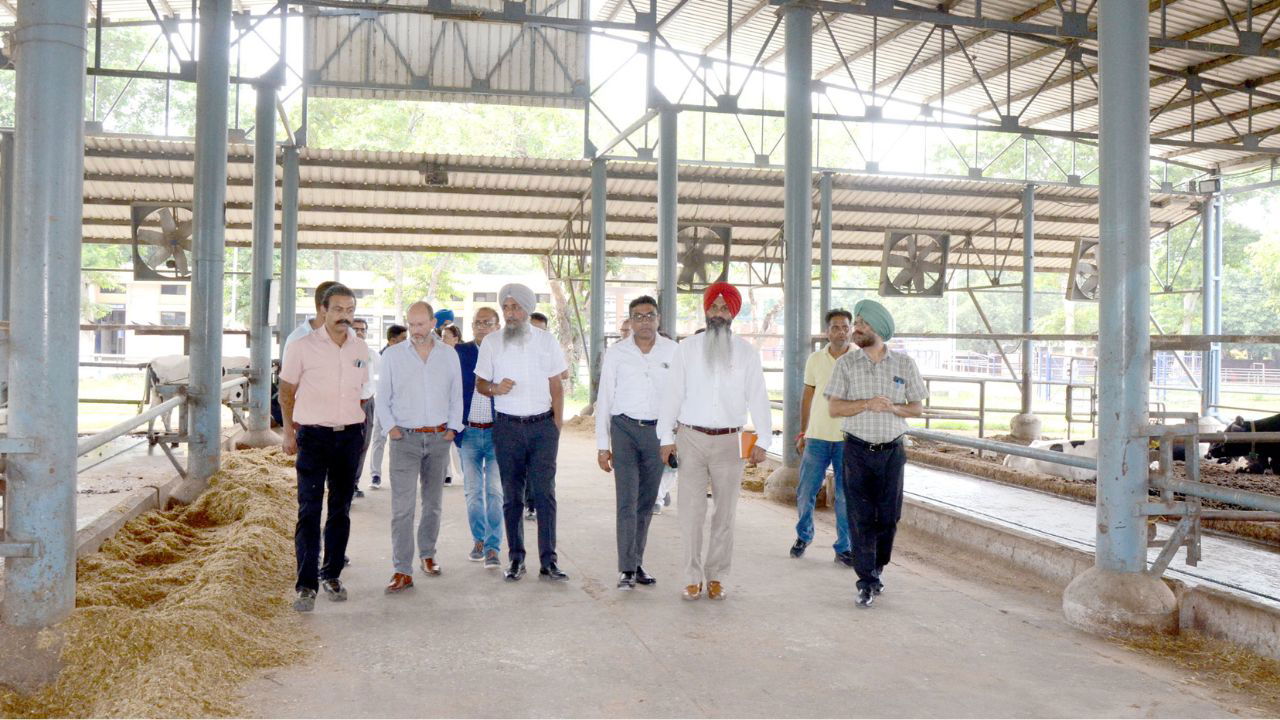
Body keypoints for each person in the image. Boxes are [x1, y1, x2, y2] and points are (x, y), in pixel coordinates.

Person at [658, 282, 771, 602]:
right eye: (714, 307)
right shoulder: (687, 349)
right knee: (690, 513)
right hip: (690, 437)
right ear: (706, 311)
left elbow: (758, 397)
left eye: (724, 308)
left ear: (733, 313)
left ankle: (717, 576)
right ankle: (692, 577)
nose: (718, 313)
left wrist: (763, 438)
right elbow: (672, 395)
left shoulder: (747, 353)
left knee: (725, 513)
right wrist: (666, 438)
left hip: (730, 442)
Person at [824, 299, 927, 609]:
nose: (857, 328)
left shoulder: (904, 365)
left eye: (863, 324)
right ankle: (866, 579)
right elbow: (834, 407)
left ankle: (878, 566)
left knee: (889, 516)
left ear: (879, 329)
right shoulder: (846, 364)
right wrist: (866, 403)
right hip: (856, 450)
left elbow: (917, 408)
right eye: (857, 323)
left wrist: (893, 407)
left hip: (892, 452)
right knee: (860, 516)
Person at [279, 283, 369, 612]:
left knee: (341, 510)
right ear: (323, 311)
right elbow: (286, 391)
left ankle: (331, 574)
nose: (344, 316)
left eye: (350, 310)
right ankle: (306, 585)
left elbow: (362, 392)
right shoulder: (302, 346)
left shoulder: (360, 348)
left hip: (349, 437)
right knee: (309, 510)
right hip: (313, 437)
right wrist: (289, 432)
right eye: (338, 310)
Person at [476, 283, 569, 582]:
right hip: (507, 428)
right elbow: (480, 384)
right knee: (512, 496)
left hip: (543, 427)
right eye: (506, 307)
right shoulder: (491, 343)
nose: (510, 313)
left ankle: (549, 561)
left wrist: (556, 424)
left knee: (545, 495)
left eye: (516, 307)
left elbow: (557, 384)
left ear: (527, 309)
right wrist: (494, 388)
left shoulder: (546, 341)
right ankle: (516, 559)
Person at [376, 302, 463, 593]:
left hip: (439, 438)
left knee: (433, 503)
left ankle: (428, 554)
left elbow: (456, 393)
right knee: (402, 508)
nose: (415, 331)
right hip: (405, 440)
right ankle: (402, 569)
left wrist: (453, 427)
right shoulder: (392, 355)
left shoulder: (449, 355)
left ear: (432, 323)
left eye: (421, 325)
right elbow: (382, 395)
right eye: (411, 325)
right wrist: (391, 428)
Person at [596, 295, 676, 589]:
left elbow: (677, 397)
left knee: (647, 501)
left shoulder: (673, 351)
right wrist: (603, 446)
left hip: (658, 434)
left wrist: (671, 439)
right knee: (626, 500)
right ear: (630, 322)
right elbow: (604, 398)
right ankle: (626, 568)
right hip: (624, 429)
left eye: (649, 315)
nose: (644, 321)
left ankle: (637, 561)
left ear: (658, 319)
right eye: (638, 316)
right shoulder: (617, 353)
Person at [791, 309, 854, 566]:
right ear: (827, 331)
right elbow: (807, 396)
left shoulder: (860, 359)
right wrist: (803, 431)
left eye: (845, 327)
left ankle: (844, 547)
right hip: (816, 436)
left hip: (848, 438)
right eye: (835, 327)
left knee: (844, 496)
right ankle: (803, 535)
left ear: (851, 330)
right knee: (806, 490)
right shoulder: (815, 359)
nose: (840, 331)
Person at [455, 307, 504, 569]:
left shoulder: (506, 352)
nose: (482, 327)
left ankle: (494, 547)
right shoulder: (460, 353)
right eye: (478, 323)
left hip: (497, 433)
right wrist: (455, 430)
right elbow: (450, 390)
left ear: (498, 326)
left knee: (495, 492)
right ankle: (479, 540)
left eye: (488, 323)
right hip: (469, 432)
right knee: (473, 493)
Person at [368, 324, 408, 489]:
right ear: (392, 341)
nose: (407, 342)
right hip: (384, 403)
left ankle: (401, 475)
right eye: (403, 339)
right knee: (379, 438)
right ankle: (375, 474)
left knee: (400, 441)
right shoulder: (382, 357)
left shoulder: (409, 355)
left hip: (403, 404)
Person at [350, 318, 379, 499]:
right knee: (345, 445)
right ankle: (338, 483)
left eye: (363, 329)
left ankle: (354, 484)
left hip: (367, 402)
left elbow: (382, 376)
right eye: (356, 329)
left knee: (363, 444)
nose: (360, 332)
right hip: (347, 404)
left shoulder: (372, 354)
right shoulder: (340, 352)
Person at [284, 280, 339, 351]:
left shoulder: (350, 335)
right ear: (324, 309)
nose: (345, 315)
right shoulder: (297, 339)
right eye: (339, 308)